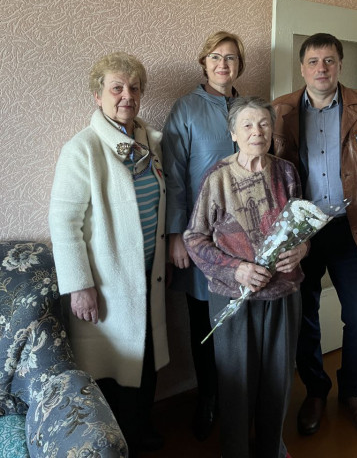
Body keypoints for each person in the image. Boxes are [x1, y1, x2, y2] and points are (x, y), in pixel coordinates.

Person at [272, 32, 357, 435]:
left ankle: (352, 391)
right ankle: (315, 390)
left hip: (353, 228)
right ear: (302, 68)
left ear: (340, 65)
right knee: (304, 317)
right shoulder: (281, 111)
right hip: (303, 233)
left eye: (329, 60)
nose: (321, 68)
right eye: (313, 61)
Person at [48, 52, 169, 457]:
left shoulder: (149, 142)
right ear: (98, 96)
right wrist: (79, 286)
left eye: (134, 88)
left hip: (149, 277)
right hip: (107, 284)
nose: (127, 95)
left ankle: (141, 431)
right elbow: (64, 222)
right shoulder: (82, 149)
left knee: (145, 362)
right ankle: (120, 443)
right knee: (113, 372)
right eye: (116, 88)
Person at [183, 96, 307, 458]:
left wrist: (302, 249)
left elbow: (301, 227)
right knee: (236, 384)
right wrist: (237, 269)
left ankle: (272, 448)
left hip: (283, 293)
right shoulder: (218, 177)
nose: (257, 132)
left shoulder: (286, 172)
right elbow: (194, 239)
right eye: (248, 125)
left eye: (264, 124)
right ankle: (235, 450)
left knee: (279, 380)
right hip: (233, 298)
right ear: (233, 134)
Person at [162, 31, 245, 440]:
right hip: (200, 238)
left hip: (245, 238)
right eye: (215, 56)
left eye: (230, 57)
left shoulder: (249, 108)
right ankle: (208, 397)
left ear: (239, 65)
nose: (222, 64)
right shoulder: (186, 109)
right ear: (204, 63)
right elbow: (174, 175)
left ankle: (239, 399)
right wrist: (175, 234)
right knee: (205, 324)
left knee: (240, 321)